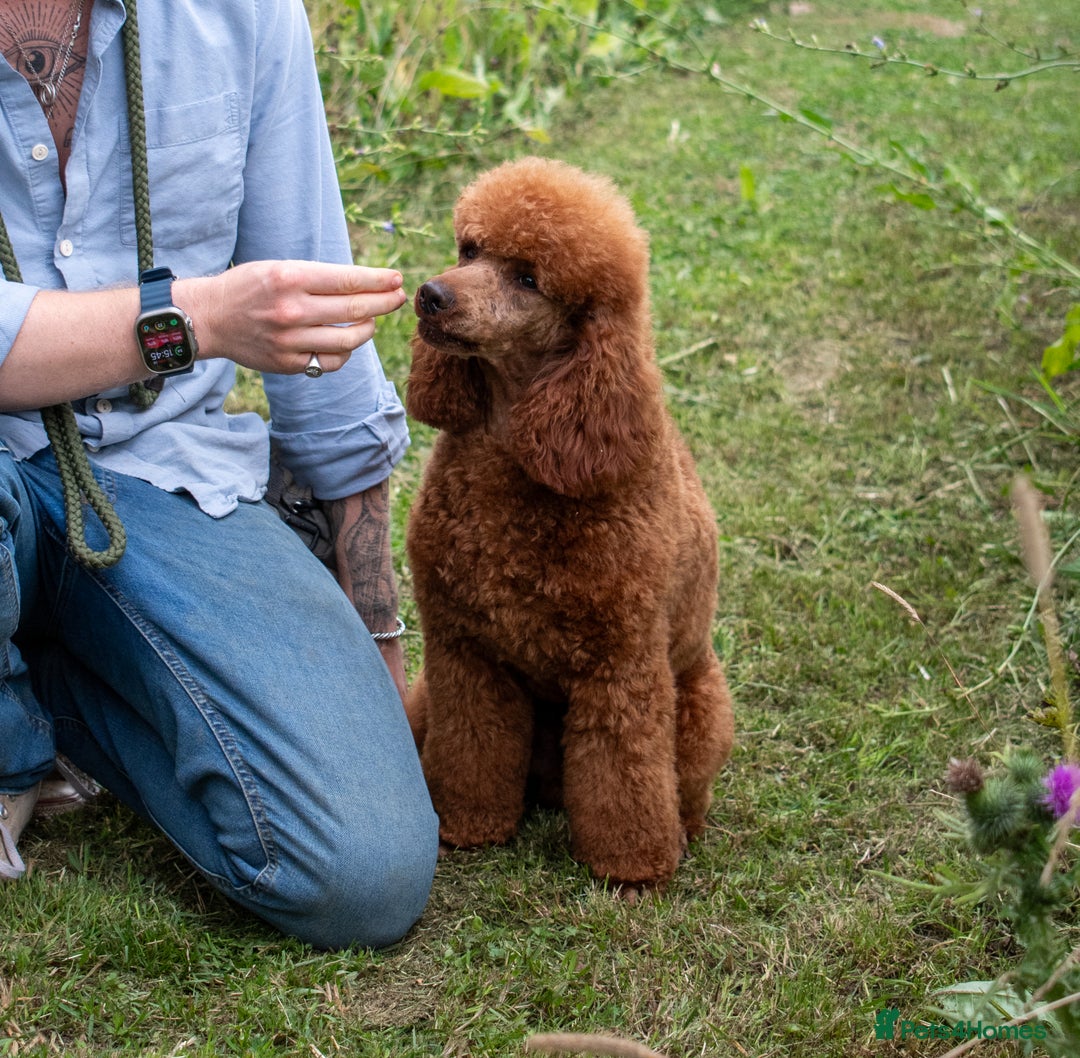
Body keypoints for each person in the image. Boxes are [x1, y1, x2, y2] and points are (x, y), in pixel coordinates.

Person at [0, 0, 439, 949]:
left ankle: (52, 687)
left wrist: (375, 637)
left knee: (365, 871)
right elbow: (231, 317)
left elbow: (314, 319)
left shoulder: (242, 13)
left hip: (161, 474)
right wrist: (190, 319)